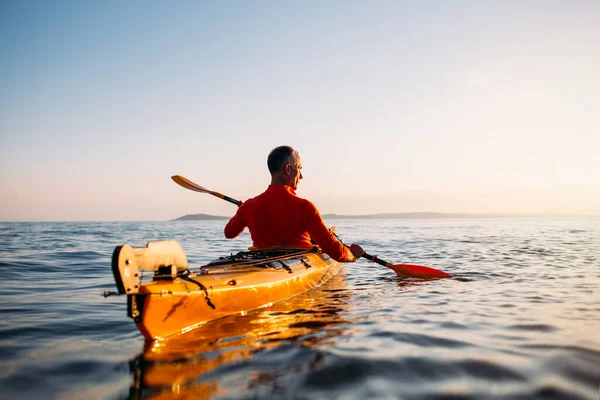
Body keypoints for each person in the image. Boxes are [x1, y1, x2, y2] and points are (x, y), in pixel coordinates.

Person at [224, 145, 364, 262]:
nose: (301, 176)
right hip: (296, 264)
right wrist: (353, 255)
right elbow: (337, 253)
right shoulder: (305, 207)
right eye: (299, 168)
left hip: (260, 261)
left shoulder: (249, 206)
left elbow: (229, 233)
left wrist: (242, 212)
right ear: (288, 169)